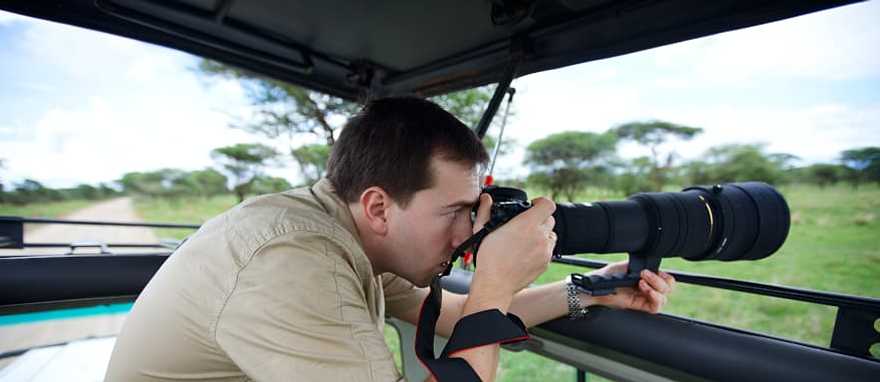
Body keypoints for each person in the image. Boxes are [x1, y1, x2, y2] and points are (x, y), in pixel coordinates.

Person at [105, 97, 675, 382]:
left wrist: (589, 291)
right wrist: (496, 277)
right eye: (454, 211)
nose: (468, 231)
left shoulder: (345, 232)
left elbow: (458, 312)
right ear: (379, 205)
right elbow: (484, 303)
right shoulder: (295, 262)